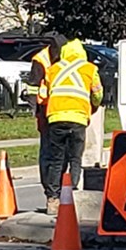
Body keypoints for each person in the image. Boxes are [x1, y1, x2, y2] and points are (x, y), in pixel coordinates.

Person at [40, 38, 103, 215]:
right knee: (75, 159)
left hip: (56, 118)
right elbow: (98, 94)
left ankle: (53, 199)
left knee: (56, 159)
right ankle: (71, 195)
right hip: (78, 119)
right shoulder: (90, 69)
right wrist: (93, 105)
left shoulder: (53, 70)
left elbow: (43, 94)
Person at [27, 32, 68, 205]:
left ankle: (61, 189)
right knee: (49, 153)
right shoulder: (41, 60)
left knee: (64, 153)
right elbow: (32, 88)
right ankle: (51, 191)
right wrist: (36, 111)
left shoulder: (68, 59)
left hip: (64, 110)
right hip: (46, 111)